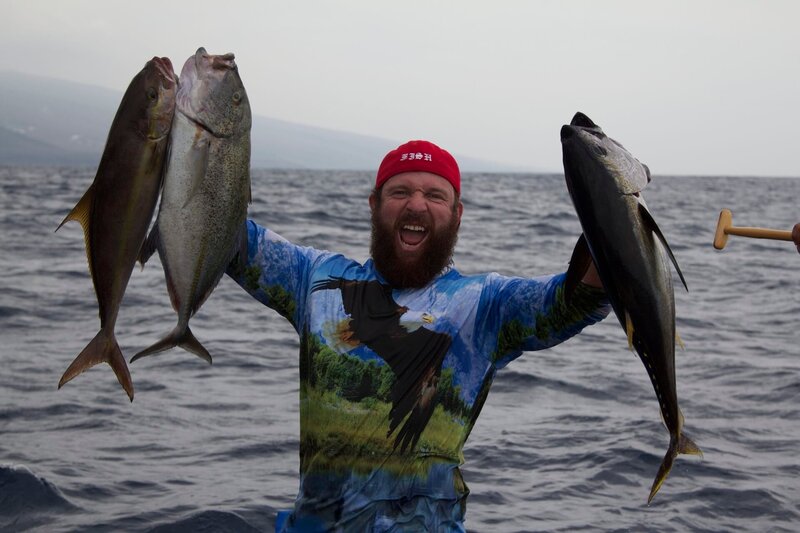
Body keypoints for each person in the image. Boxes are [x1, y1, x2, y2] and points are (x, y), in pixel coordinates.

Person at [226, 139, 610, 532]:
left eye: (434, 195)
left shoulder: (486, 303)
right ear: (374, 204)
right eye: (400, 191)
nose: (416, 204)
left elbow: (581, 298)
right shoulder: (314, 277)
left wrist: (610, 204)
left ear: (457, 214)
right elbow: (222, 231)